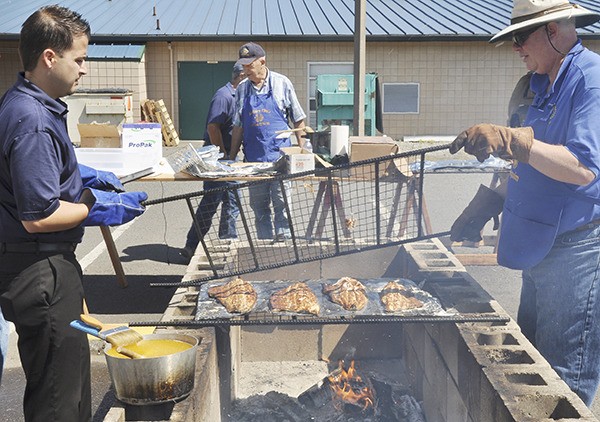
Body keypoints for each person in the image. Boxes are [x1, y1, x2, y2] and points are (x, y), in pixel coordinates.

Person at [449, 0, 600, 406]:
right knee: (531, 365)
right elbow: (523, 163)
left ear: (554, 30)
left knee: (563, 380)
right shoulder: (536, 84)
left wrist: (513, 139)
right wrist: (487, 204)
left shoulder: (590, 81)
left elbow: (584, 168)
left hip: (575, 251)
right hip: (538, 243)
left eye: (521, 37)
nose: (516, 48)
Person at [0, 6, 147, 421]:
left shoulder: (32, 105)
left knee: (70, 380)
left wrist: (83, 175)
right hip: (38, 268)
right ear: (50, 57)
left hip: (46, 264)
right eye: (79, 59)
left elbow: (37, 172)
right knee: (57, 400)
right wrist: (93, 205)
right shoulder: (31, 119)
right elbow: (39, 214)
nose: (84, 70)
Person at [229, 42, 308, 241]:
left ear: (262, 61)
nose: (245, 69)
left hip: (280, 160)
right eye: (243, 65)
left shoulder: (282, 84)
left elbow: (298, 119)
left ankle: (284, 248)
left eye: (249, 64)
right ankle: (265, 250)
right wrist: (231, 157)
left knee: (282, 206)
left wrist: (303, 151)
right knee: (259, 208)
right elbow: (238, 125)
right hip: (254, 161)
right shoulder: (242, 90)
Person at [181, 64, 246, 259]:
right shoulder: (224, 96)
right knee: (214, 201)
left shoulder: (238, 95)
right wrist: (224, 154)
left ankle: (223, 243)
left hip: (227, 157)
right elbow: (213, 127)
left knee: (229, 200)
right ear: (241, 76)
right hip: (217, 157)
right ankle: (195, 245)